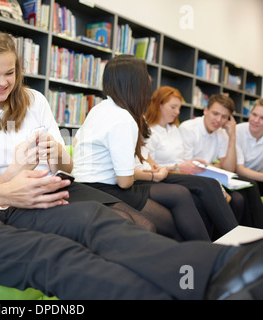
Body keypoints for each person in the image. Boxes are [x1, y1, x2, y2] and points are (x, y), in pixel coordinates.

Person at [0, 20, 263, 300]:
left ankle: (221, 266)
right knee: (53, 254)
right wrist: (12, 191)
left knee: (91, 220)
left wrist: (14, 179)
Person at [0, 32, 154, 231]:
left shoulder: (35, 100)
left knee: (143, 224)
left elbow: (67, 169)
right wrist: (19, 168)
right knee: (117, 225)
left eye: (9, 73)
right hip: (18, 199)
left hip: (59, 186)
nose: (3, 82)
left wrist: (56, 153)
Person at [72, 54, 210, 241]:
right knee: (171, 219)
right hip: (104, 188)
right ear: (136, 84)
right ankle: (205, 252)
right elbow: (125, 182)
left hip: (85, 185)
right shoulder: (122, 118)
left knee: (177, 199)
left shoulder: (99, 109)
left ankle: (199, 252)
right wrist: (154, 175)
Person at [144, 86, 238, 238]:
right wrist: (177, 166)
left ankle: (223, 241)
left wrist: (192, 163)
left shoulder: (173, 128)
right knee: (210, 185)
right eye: (173, 107)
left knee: (212, 188)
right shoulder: (149, 131)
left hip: (179, 172)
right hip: (165, 175)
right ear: (158, 104)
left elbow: (181, 159)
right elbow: (149, 167)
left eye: (179, 108)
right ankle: (234, 239)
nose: (177, 112)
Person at [179, 94, 263, 228]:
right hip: (192, 177)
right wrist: (216, 165)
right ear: (206, 110)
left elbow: (228, 168)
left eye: (224, 117)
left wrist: (232, 136)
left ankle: (252, 235)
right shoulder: (188, 129)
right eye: (215, 113)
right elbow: (188, 167)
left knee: (242, 196)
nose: (218, 120)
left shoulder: (221, 133)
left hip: (210, 176)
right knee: (239, 196)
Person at [236, 99, 263, 195]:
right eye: (254, 115)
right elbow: (239, 169)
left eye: (262, 118)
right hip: (235, 177)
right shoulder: (237, 131)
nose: (256, 121)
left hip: (256, 177)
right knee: (252, 185)